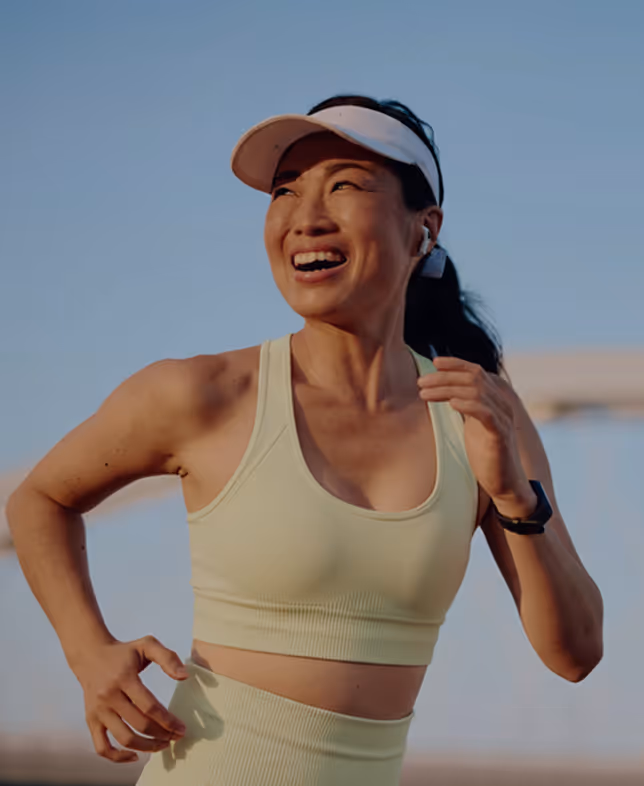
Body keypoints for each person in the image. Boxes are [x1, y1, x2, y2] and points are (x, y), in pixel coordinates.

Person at [6, 95, 604, 786]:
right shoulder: (201, 395)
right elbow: (40, 499)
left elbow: (577, 653)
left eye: (345, 185)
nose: (304, 216)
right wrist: (88, 652)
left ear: (424, 230)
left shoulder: (481, 413)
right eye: (285, 191)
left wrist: (511, 495)